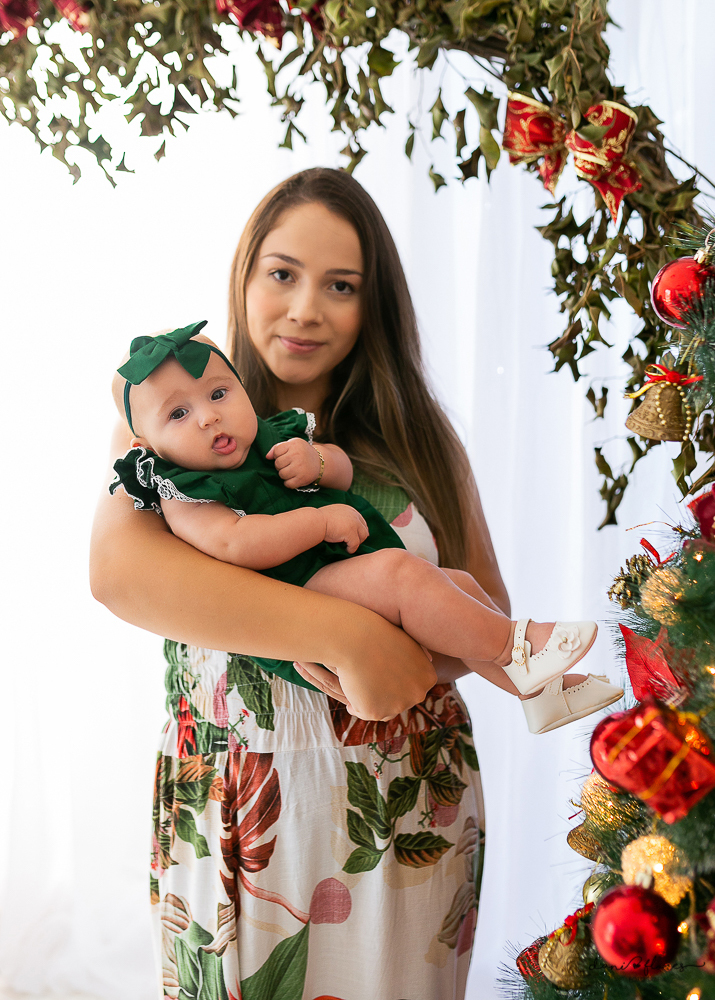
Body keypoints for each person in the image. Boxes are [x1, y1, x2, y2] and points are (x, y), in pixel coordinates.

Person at [90, 168, 619, 999]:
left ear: (374, 305)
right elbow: (120, 575)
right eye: (282, 273)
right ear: (244, 276)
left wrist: (408, 658)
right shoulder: (169, 429)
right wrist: (343, 637)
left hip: (411, 796)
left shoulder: (419, 439)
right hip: (244, 790)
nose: (305, 308)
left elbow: (481, 608)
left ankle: (541, 688)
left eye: (341, 285)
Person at [109, 322, 622, 727]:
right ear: (145, 446)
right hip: (296, 589)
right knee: (401, 574)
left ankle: (540, 694)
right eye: (178, 414)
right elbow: (235, 543)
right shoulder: (183, 491)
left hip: (340, 568)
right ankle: (516, 647)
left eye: (219, 394)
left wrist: (318, 462)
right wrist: (317, 522)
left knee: (459, 586)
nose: (208, 417)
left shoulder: (268, 437)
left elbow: (343, 472)